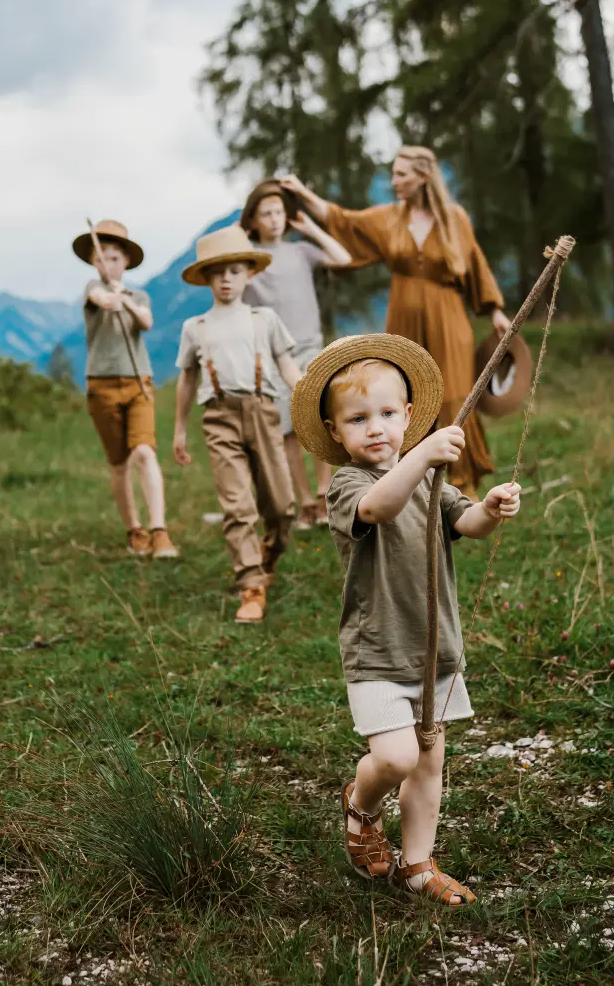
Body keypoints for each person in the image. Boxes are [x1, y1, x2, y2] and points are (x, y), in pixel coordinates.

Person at [290, 333, 521, 904]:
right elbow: (379, 507)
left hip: (433, 647)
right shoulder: (350, 485)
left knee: (430, 761)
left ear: (409, 414)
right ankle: (360, 804)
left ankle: (417, 864)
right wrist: (421, 454)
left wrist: (490, 509)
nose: (376, 428)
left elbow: (464, 523)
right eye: (358, 418)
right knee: (396, 757)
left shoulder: (433, 481)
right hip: (377, 649)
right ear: (336, 432)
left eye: (388, 414)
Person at [280, 148, 511, 499]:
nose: (394, 182)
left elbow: (475, 264)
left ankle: (462, 485)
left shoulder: (453, 218)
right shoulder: (389, 217)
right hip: (403, 319)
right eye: (394, 174)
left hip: (449, 319)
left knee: (453, 397)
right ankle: (413, 484)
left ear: (423, 177)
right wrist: (302, 192)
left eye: (401, 174)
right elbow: (345, 220)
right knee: (405, 394)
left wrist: (494, 308)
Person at [173, 225, 300, 624]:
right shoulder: (196, 328)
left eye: (234, 270)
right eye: (217, 272)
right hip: (219, 417)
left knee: (282, 505)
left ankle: (269, 553)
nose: (226, 279)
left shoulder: (265, 319)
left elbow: (288, 367)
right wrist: (179, 428)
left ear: (249, 273)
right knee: (237, 504)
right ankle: (251, 585)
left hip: (264, 411)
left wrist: (309, 403)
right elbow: (187, 379)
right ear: (206, 278)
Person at [240, 179, 351, 530]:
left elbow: (343, 258)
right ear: (253, 220)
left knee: (320, 420)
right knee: (287, 431)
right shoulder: (248, 261)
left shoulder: (301, 250)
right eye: (265, 214)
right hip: (273, 355)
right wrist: (239, 235)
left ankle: (324, 493)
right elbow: (216, 264)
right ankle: (304, 501)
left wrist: (314, 230)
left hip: (311, 348)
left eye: (278, 212)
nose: (274, 219)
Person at [73, 220, 177, 560]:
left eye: (115, 258)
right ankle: (135, 529)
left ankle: (160, 531)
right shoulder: (92, 287)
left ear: (126, 261)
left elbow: (146, 322)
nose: (108, 265)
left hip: (138, 382)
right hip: (101, 385)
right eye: (102, 258)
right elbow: (98, 297)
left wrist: (125, 300)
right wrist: (108, 297)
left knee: (145, 452)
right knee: (118, 463)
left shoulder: (140, 296)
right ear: (93, 262)